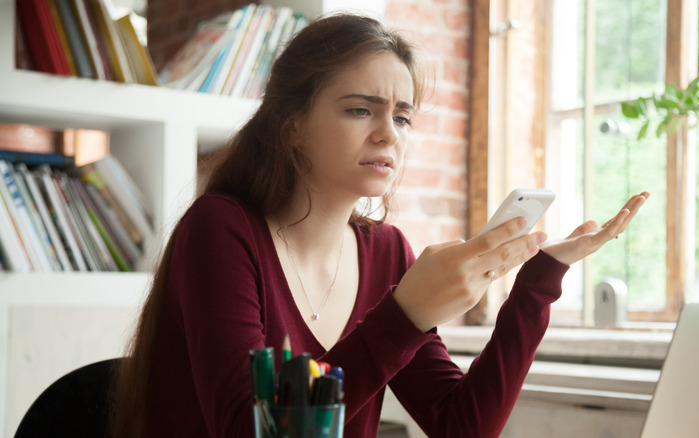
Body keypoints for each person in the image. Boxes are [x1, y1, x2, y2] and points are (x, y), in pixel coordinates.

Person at [110, 12, 648, 438]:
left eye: (403, 116)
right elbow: (249, 431)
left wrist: (536, 284)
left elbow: (461, 425)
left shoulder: (387, 251)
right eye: (360, 110)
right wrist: (405, 315)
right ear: (292, 125)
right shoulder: (221, 230)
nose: (390, 134)